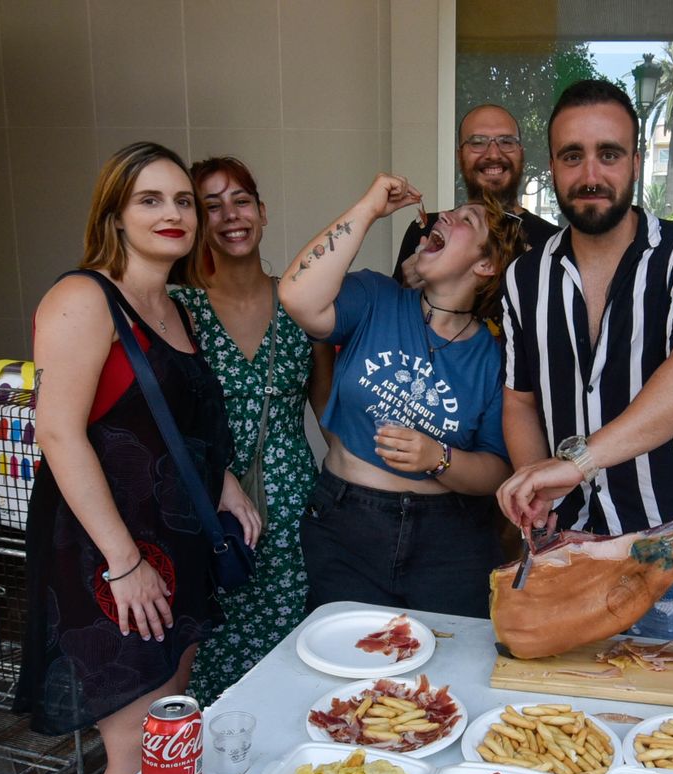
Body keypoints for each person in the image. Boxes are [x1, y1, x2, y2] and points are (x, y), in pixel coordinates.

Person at [14, 142, 259, 774]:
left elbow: (173, 424)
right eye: (151, 200)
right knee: (134, 748)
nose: (175, 214)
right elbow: (59, 432)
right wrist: (123, 561)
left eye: (183, 201)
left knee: (168, 737)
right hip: (111, 562)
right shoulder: (83, 298)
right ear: (115, 214)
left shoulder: (175, 308)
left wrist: (225, 484)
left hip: (174, 553)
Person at [494, 79, 673, 644]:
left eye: (609, 154)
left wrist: (576, 463)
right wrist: (539, 491)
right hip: (569, 541)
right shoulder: (524, 278)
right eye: (572, 156)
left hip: (671, 542)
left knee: (651, 707)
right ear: (551, 166)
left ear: (636, 162)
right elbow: (520, 399)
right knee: (562, 715)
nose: (590, 175)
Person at [278, 174, 526, 617]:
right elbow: (298, 296)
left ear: (486, 265)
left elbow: (497, 470)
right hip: (346, 525)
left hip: (449, 541)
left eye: (466, 218)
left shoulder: (494, 358)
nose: (445, 216)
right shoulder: (376, 297)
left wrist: (438, 458)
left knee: (447, 673)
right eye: (448, 212)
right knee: (349, 673)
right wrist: (369, 208)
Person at [180, 156, 334, 704]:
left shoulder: (297, 300)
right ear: (196, 222)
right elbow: (166, 419)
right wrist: (215, 473)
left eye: (240, 200)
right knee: (209, 655)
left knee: (293, 655)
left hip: (292, 505)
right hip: (206, 507)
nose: (230, 215)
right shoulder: (181, 308)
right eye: (210, 206)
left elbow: (327, 410)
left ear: (262, 212)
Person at [395, 104, 559, 288]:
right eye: (477, 142)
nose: (494, 154)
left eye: (506, 141)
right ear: (459, 157)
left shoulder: (553, 242)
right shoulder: (427, 231)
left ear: (521, 154)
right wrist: (405, 291)